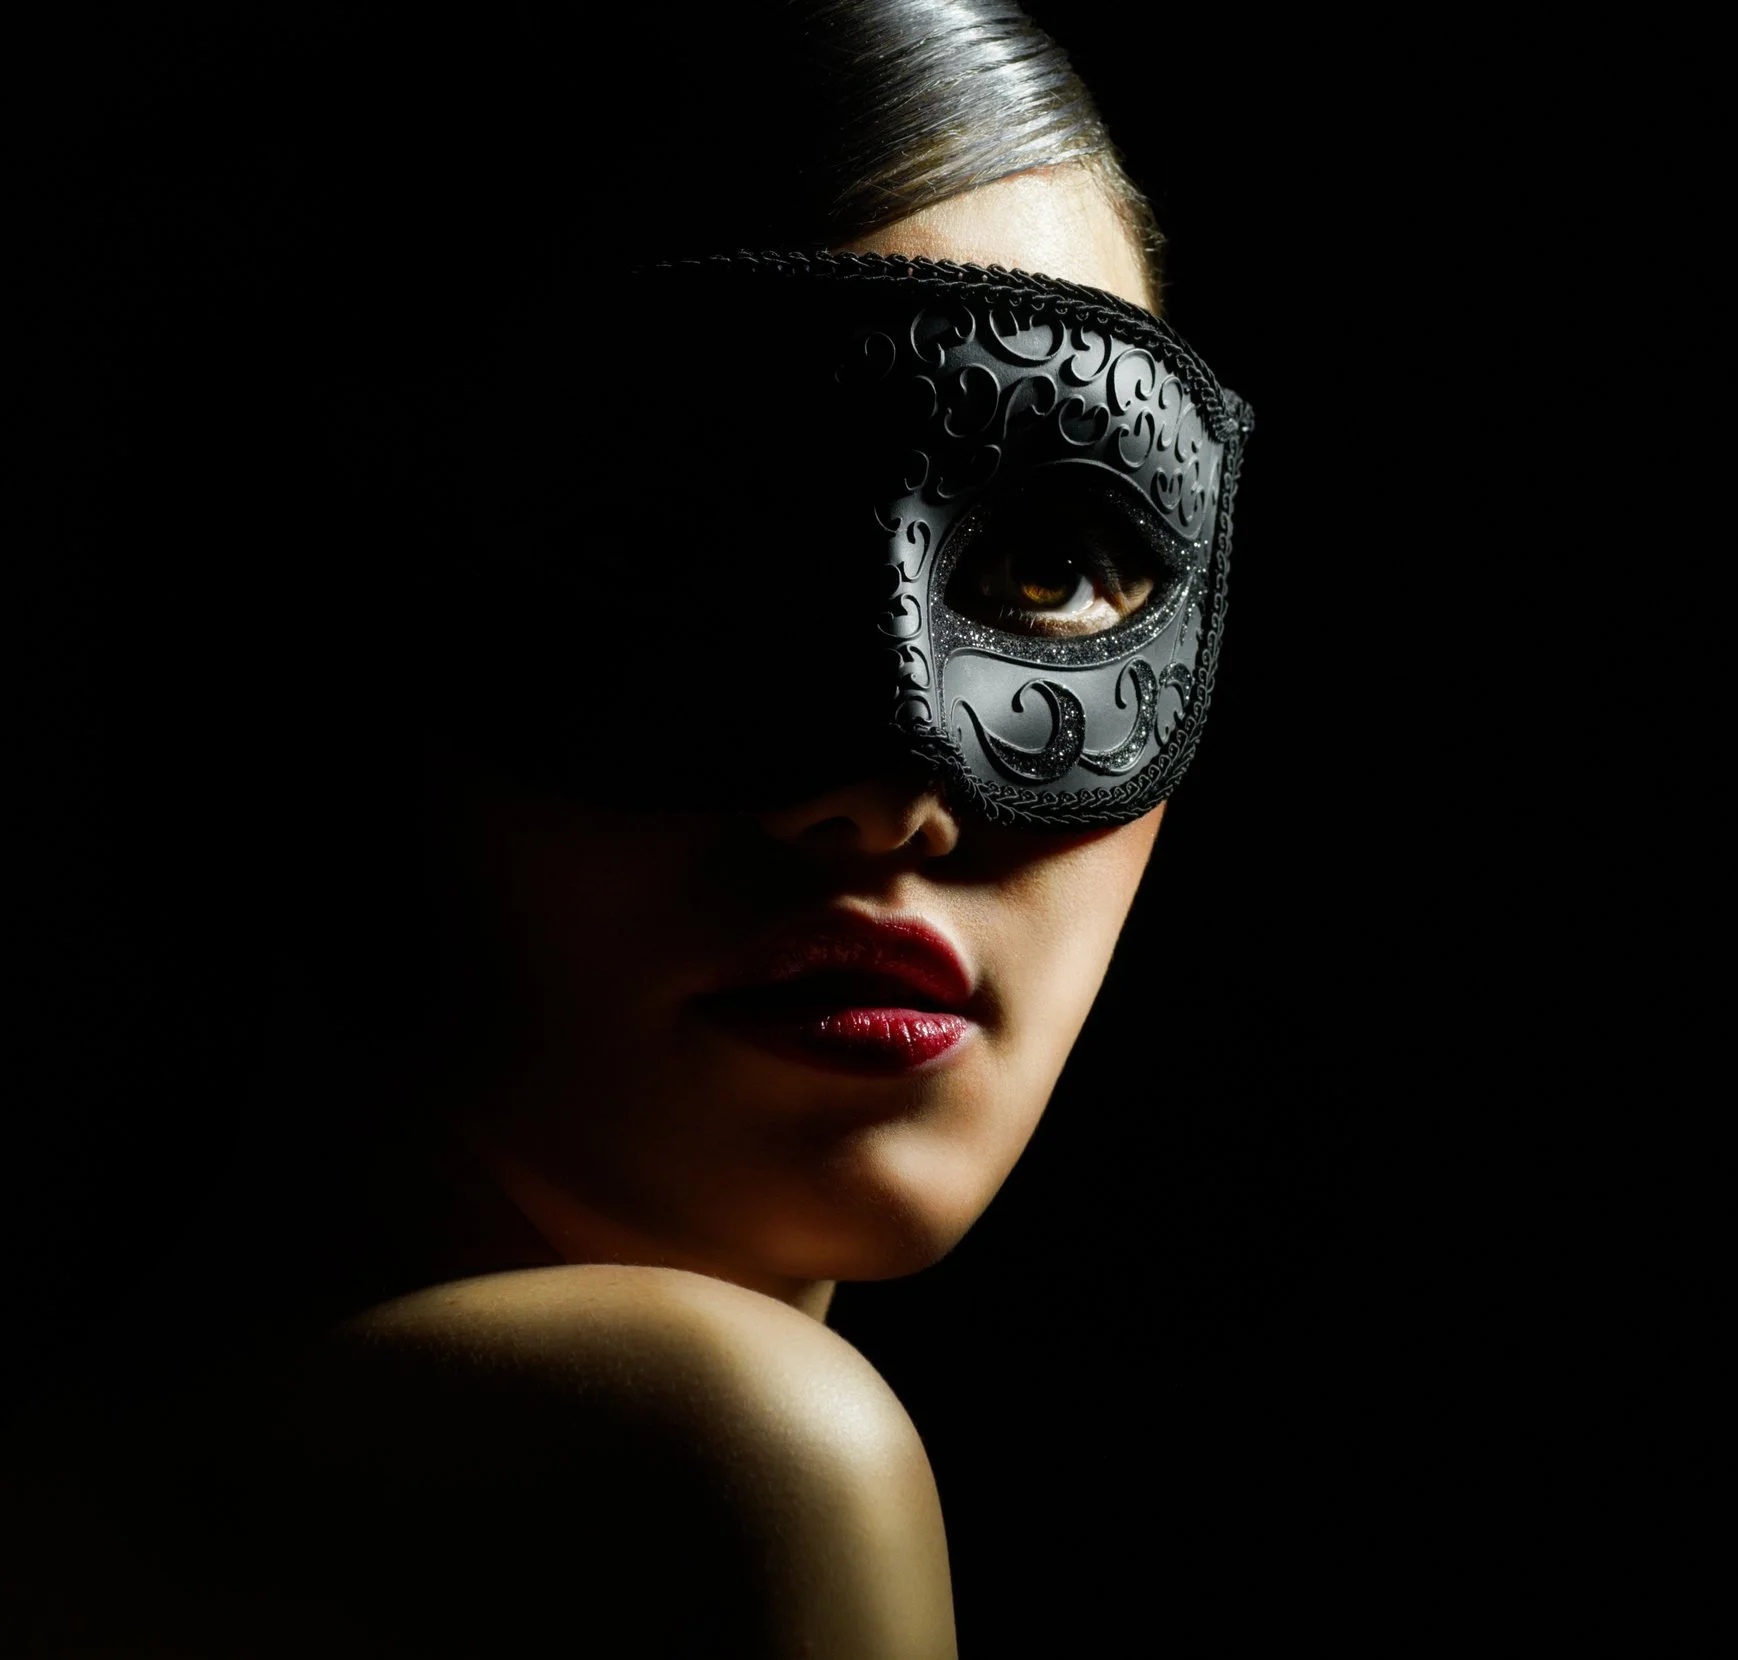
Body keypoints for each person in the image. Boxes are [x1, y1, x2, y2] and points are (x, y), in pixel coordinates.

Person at [0, 4, 1250, 1654]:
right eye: (659, 551)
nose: (886, 795)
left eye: (1055, 567)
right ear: (295, 591)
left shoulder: (129, 1477)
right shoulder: (719, 1461)